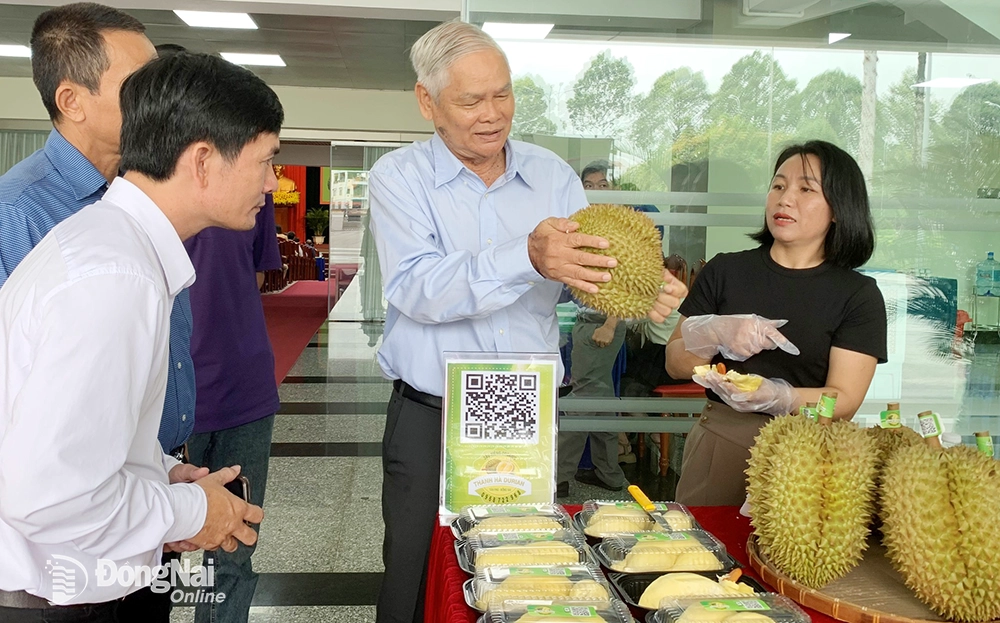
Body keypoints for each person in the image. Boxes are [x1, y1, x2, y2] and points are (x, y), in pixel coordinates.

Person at [367, 21, 686, 623]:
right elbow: (416, 288)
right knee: (413, 568)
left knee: (522, 566)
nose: (492, 114)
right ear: (427, 102)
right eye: (471, 100)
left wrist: (641, 288)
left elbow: (589, 272)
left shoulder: (552, 176)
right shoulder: (398, 178)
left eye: (503, 94)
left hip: (519, 404)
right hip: (431, 409)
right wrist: (525, 254)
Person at [0, 51, 281, 622]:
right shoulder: (114, 279)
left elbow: (80, 440)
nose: (272, 183)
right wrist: (188, 511)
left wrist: (157, 472)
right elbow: (51, 497)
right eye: (265, 161)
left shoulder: (111, 246)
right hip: (61, 595)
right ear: (203, 161)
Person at [0, 8, 197, 619]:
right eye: (140, 87)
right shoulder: (19, 210)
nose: (159, 101)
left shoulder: (137, 198)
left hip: (138, 499)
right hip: (57, 556)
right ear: (72, 100)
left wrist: (161, 471)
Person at [665, 140, 887, 506]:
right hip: (723, 438)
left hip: (808, 453)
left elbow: (844, 399)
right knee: (703, 554)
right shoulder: (726, 270)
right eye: (779, 186)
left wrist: (780, 396)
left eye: (806, 189)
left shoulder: (858, 295)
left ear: (838, 209)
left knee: (790, 560)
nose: (785, 199)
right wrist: (715, 333)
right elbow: (674, 362)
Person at [184, 187, 283, 623]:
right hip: (167, 393)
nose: (271, 179)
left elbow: (258, 275)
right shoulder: (143, 169)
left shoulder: (256, 184)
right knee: (147, 557)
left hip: (244, 392)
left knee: (235, 547)